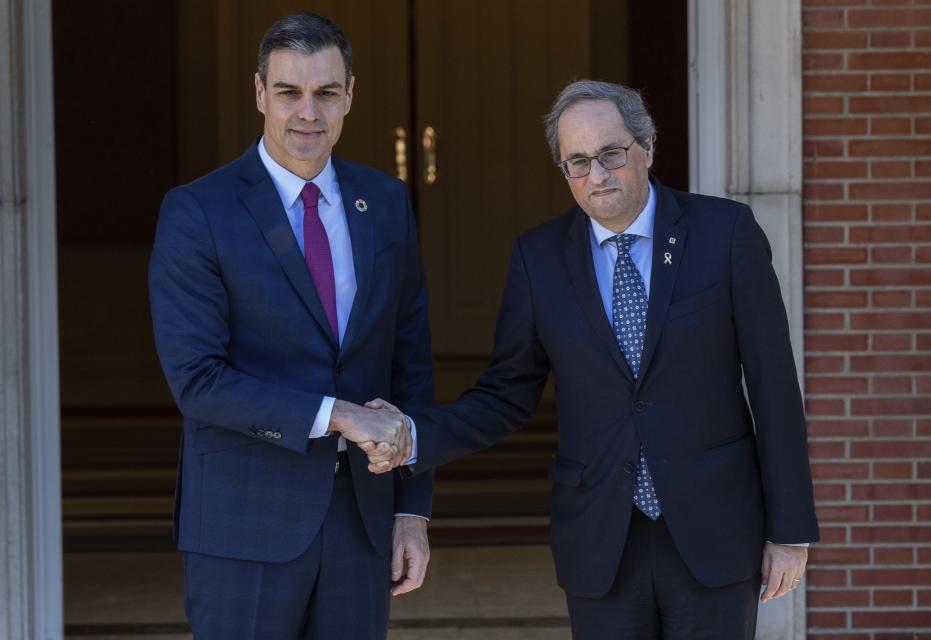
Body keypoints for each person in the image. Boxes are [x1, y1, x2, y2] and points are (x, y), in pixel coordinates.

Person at [360, 80, 820, 639]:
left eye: (610, 154)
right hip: (601, 541)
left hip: (716, 531)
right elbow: (507, 393)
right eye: (578, 162)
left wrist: (790, 531)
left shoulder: (724, 233)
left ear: (647, 146)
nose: (596, 175)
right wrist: (413, 433)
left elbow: (773, 384)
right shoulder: (539, 259)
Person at [149, 13, 430, 639]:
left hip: (361, 523)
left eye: (326, 92)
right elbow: (197, 380)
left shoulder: (384, 202)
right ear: (259, 93)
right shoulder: (199, 211)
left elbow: (410, 360)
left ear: (350, 95)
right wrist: (340, 415)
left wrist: (413, 509)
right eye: (289, 92)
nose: (309, 112)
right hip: (243, 524)